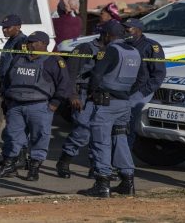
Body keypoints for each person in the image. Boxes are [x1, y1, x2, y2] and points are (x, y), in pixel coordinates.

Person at [0, 31, 70, 181]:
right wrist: (6, 97)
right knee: (12, 136)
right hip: (16, 105)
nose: (29, 44)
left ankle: (34, 169)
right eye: (29, 41)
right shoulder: (19, 58)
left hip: (39, 106)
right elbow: (8, 79)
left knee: (39, 137)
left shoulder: (53, 61)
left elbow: (64, 85)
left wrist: (55, 104)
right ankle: (8, 165)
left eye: (33, 42)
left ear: (43, 44)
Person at [78, 22, 141, 198]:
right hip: (124, 103)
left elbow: (97, 74)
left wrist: (93, 92)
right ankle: (127, 182)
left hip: (107, 104)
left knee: (100, 142)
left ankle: (102, 183)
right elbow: (141, 78)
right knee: (120, 139)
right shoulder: (134, 52)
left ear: (107, 35)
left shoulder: (111, 50)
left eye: (102, 35)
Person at [56, 34, 105, 179]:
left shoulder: (114, 48)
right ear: (108, 35)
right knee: (83, 130)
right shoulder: (86, 48)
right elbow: (70, 72)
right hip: (83, 93)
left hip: (102, 94)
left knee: (100, 132)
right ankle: (64, 161)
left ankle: (96, 166)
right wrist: (72, 95)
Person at [122, 18, 166, 149]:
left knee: (126, 126)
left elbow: (158, 75)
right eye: (124, 28)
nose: (125, 31)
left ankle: (122, 162)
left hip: (140, 91)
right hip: (121, 90)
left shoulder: (151, 46)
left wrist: (141, 93)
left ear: (138, 30)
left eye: (128, 28)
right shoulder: (122, 44)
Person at [0, 14, 28, 168]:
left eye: (7, 27)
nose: (4, 30)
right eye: (3, 27)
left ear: (18, 27)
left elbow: (19, 69)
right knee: (11, 124)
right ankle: (11, 155)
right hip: (6, 87)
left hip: (15, 89)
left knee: (17, 126)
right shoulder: (10, 41)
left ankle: (19, 158)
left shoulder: (22, 42)